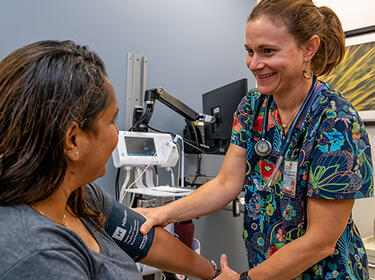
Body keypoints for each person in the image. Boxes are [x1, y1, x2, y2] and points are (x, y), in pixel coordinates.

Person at [136, 0, 374, 279]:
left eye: (268, 51)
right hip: (265, 266)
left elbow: (320, 241)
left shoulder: (337, 121)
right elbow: (226, 183)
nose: (254, 63)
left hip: (324, 273)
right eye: (249, 51)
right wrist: (162, 214)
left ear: (309, 49)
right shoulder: (252, 107)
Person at [0, 40, 220, 280]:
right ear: (73, 140)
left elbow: (146, 240)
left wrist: (214, 274)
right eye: (111, 122)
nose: (117, 133)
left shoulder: (78, 197)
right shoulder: (40, 257)